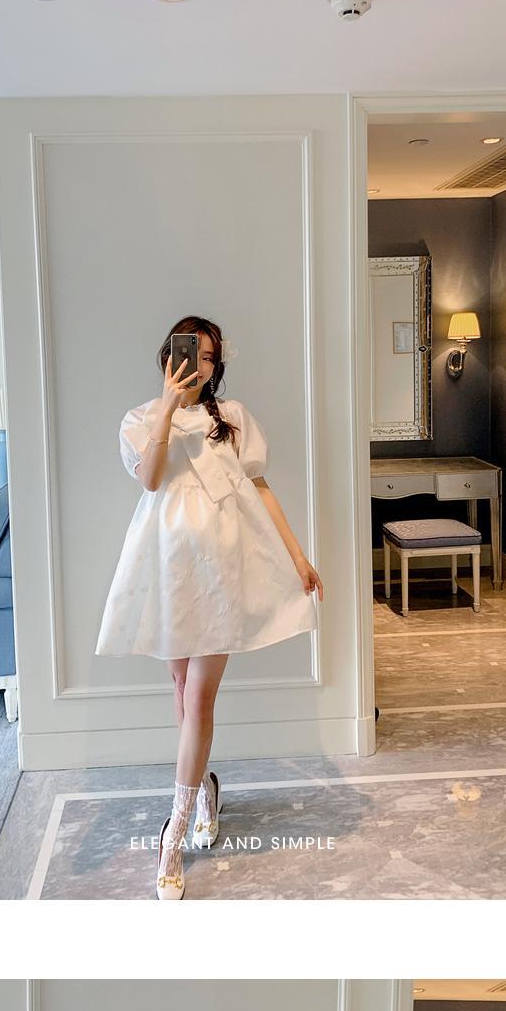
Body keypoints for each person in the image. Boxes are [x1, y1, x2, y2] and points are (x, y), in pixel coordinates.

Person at [97, 320, 323, 900]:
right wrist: (168, 409)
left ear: (217, 365)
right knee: (180, 690)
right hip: (169, 569)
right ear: (167, 355)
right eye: (188, 352)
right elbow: (150, 481)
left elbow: (261, 489)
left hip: (222, 569)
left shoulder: (234, 419)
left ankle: (172, 836)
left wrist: (297, 557)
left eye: (207, 357)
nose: (197, 364)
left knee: (198, 696)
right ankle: (203, 793)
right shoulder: (141, 420)